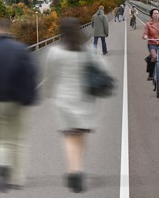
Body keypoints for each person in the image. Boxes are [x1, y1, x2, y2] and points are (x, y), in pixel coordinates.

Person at [41, 17, 108, 193]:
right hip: (84, 101)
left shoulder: (55, 52)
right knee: (80, 137)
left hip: (64, 102)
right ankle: (78, 169)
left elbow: (49, 77)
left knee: (69, 137)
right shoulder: (87, 51)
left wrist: (49, 94)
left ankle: (74, 171)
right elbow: (103, 69)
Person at [0, 18, 38, 192]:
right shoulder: (20, 49)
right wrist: (29, 97)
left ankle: (2, 164)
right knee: (18, 140)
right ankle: (16, 178)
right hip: (17, 101)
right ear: (7, 30)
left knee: (0, 138)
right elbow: (30, 74)